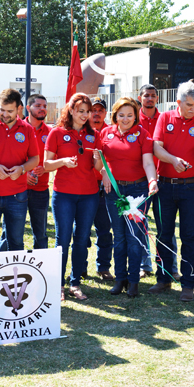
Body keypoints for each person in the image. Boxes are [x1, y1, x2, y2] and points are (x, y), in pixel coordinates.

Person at [149, 81, 194, 302]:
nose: (193, 109)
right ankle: (164, 278)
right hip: (165, 186)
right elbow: (156, 147)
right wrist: (173, 160)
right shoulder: (165, 118)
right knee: (163, 234)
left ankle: (188, 284)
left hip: (191, 187)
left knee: (189, 236)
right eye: (189, 105)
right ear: (178, 102)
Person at [97, 97, 158, 297]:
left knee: (134, 236)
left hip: (137, 191)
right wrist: (104, 173)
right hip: (115, 192)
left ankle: (133, 281)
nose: (125, 119)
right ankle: (120, 279)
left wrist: (152, 181)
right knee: (119, 236)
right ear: (115, 116)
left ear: (135, 116)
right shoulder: (105, 133)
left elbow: (148, 163)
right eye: (121, 115)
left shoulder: (143, 134)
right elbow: (100, 161)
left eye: (130, 115)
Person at [44, 93, 101, 301]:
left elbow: (98, 167)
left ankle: (75, 283)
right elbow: (46, 165)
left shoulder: (94, 135)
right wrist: (63, 161)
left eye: (88, 112)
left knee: (82, 239)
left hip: (89, 195)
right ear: (71, 111)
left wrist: (98, 159)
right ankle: (58, 284)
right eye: (80, 111)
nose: (85, 115)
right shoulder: (57, 133)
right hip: (64, 195)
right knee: (63, 239)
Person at [0, 89, 39, 252]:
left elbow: (35, 158)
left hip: (17, 195)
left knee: (16, 243)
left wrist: (22, 169)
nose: (5, 115)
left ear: (19, 108)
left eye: (10, 111)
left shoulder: (27, 129)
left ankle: (14, 270)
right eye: (2, 110)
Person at [137, 83, 179, 279]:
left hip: (163, 179)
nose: (150, 99)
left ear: (157, 99)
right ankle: (144, 265)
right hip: (139, 180)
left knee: (166, 226)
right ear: (140, 98)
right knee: (139, 223)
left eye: (153, 95)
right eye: (146, 95)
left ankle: (171, 267)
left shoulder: (165, 120)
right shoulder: (132, 119)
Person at [84, 97, 114, 280]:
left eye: (100, 110)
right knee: (82, 231)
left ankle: (103, 267)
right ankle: (80, 267)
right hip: (84, 188)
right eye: (93, 110)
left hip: (104, 189)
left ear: (105, 113)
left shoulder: (111, 133)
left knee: (104, 231)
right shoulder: (81, 132)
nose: (96, 113)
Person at [24, 94, 52, 249]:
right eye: (38, 106)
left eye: (45, 106)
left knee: (40, 234)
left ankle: (41, 263)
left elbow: (57, 160)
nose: (42, 109)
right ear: (28, 108)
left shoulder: (50, 132)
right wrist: (24, 173)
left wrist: (45, 168)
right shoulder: (17, 128)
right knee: (10, 233)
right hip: (17, 189)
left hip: (40, 190)